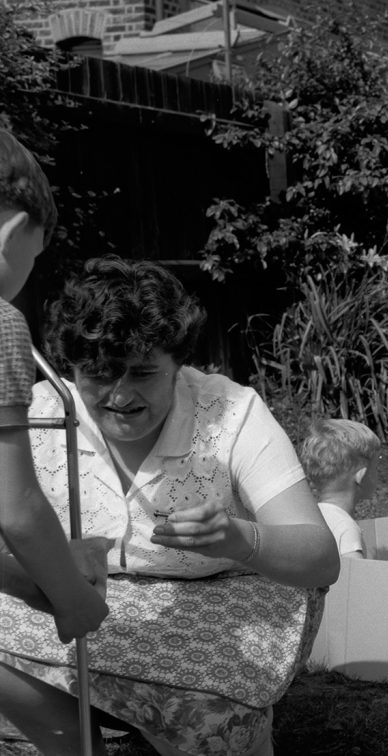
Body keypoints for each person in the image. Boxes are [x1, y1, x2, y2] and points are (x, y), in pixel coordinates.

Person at [0, 256, 340, 755]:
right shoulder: (45, 413)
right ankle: (72, 744)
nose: (120, 394)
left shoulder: (229, 410)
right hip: (105, 610)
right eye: (97, 375)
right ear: (70, 368)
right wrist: (49, 563)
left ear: (177, 364)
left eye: (142, 373)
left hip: (224, 602)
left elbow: (320, 557)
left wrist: (240, 539)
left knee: (211, 721)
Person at [0, 128, 110, 643]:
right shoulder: (2, 325)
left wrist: (32, 582)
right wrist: (73, 600)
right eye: (35, 256)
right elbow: (16, 507)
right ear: (13, 233)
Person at [299, 417, 382, 559]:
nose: (378, 474)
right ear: (361, 476)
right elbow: (354, 576)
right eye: (375, 468)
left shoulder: (311, 518)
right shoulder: (346, 529)